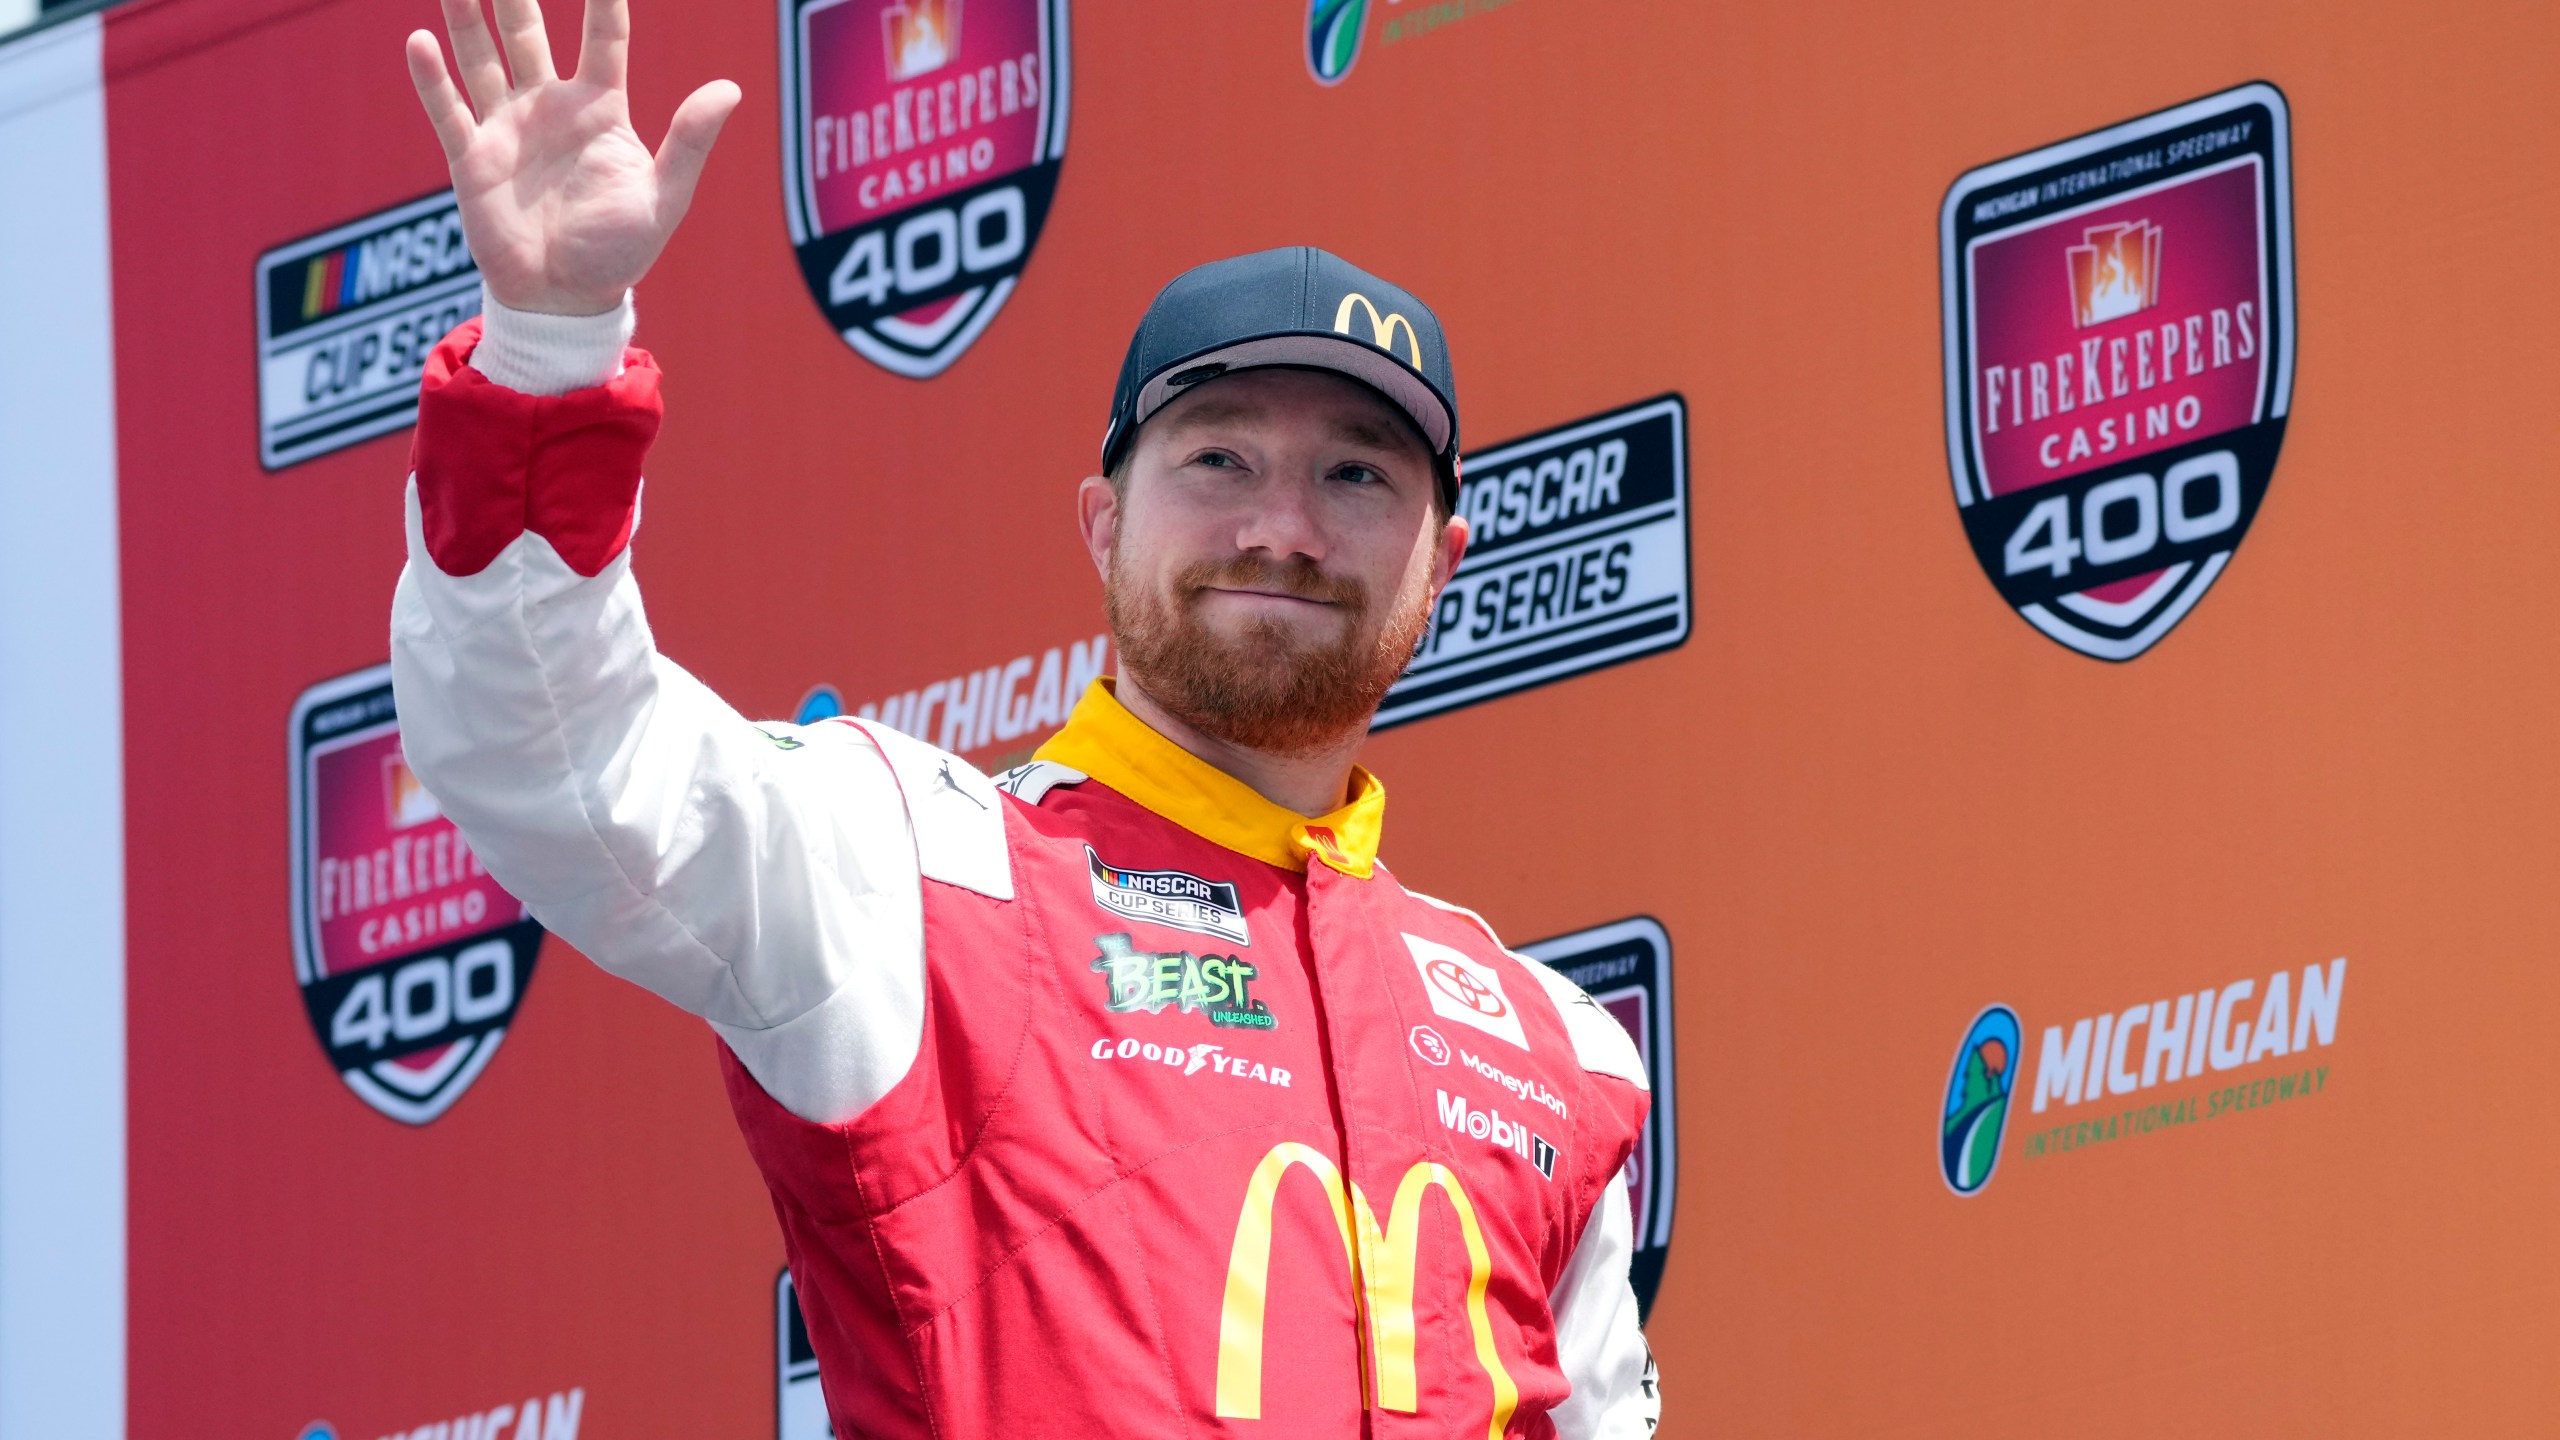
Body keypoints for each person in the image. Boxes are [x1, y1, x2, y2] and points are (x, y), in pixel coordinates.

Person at [392, 1, 1659, 1434]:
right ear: (1103, 524)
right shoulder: (910, 872)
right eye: (1221, 457)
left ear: (1443, 561)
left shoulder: (1560, 1050)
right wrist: (552, 347)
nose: (1284, 528)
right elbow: (552, 747)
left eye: (1359, 477)